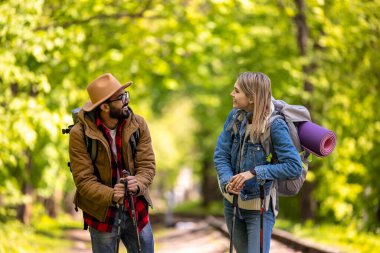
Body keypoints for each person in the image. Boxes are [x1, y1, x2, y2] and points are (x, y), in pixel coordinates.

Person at [213, 71, 302, 253]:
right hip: (232, 204)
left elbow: (293, 166)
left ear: (252, 97)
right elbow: (220, 155)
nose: (232, 94)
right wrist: (227, 181)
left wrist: (254, 172)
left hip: (259, 208)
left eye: (236, 91)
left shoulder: (274, 126)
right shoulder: (235, 117)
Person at [69, 73, 156, 253]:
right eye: (121, 97)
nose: (127, 101)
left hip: (136, 208)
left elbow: (147, 165)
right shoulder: (79, 134)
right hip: (102, 213)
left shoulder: (138, 124)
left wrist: (137, 182)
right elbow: (83, 181)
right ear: (105, 106)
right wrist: (111, 194)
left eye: (126, 95)